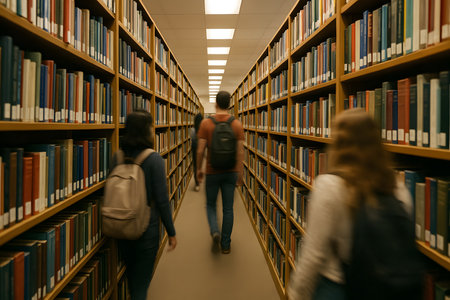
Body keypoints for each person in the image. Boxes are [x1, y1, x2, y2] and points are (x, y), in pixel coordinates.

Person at [287, 109, 413, 300]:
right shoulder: (398, 188)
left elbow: (314, 254)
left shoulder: (328, 186)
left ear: (339, 142)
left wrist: (295, 293)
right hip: (384, 288)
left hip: (338, 286)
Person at [113, 110, 177, 300]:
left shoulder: (116, 157)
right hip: (145, 231)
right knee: (141, 284)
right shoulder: (153, 159)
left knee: (132, 278)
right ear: (146, 131)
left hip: (119, 227)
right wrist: (171, 232)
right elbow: (162, 200)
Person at [196, 91, 244, 254]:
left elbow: (200, 150)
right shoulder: (236, 124)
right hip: (230, 172)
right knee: (228, 208)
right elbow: (240, 152)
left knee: (210, 205)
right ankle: (225, 244)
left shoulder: (206, 124)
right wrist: (240, 172)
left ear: (216, 104)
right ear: (230, 104)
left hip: (212, 170)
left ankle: (215, 230)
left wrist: (198, 169)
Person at [190, 113, 204, 191]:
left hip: (194, 149)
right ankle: (201, 177)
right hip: (201, 148)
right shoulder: (203, 130)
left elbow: (192, 139)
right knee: (201, 164)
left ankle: (197, 184)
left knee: (196, 166)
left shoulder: (192, 130)